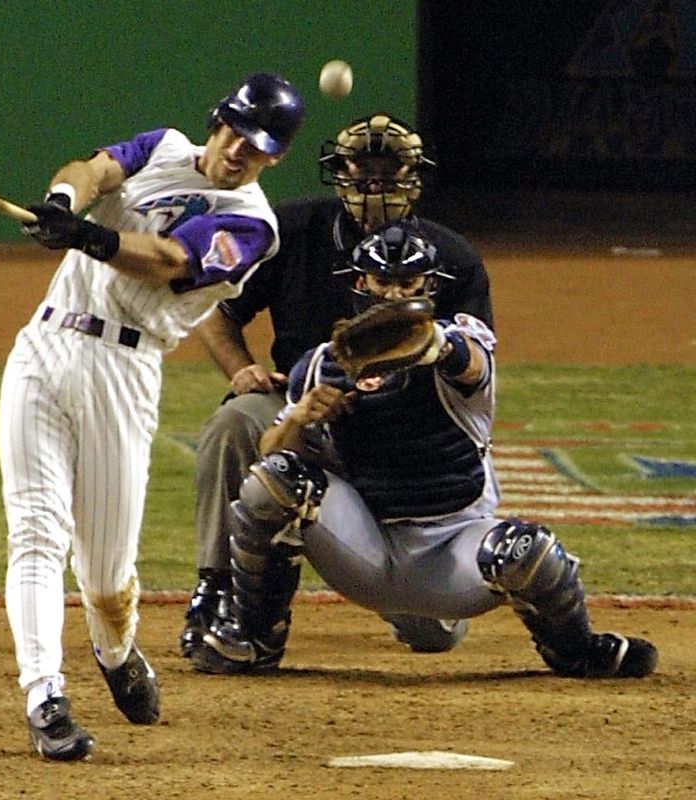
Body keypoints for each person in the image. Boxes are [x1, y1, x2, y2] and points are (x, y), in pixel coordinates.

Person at [199, 220, 659, 680]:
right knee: (277, 479)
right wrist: (301, 418)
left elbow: (470, 362)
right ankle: (253, 637)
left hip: (451, 551)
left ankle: (577, 650)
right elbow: (269, 452)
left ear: (430, 287)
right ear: (361, 284)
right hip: (363, 548)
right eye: (383, 282)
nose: (394, 295)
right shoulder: (322, 363)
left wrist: (432, 343)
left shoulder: (458, 345)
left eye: (407, 284)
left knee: (527, 551)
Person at [0, 72, 304, 761]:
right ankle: (44, 695)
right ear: (217, 119)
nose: (237, 153)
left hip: (123, 369)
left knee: (105, 575)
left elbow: (169, 262)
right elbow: (95, 169)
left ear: (273, 158)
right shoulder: (162, 146)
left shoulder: (254, 226)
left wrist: (88, 237)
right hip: (43, 347)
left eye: (256, 149)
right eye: (233, 133)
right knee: (37, 532)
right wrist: (62, 201)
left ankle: (117, 651)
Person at [182, 112, 495, 671]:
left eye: (389, 169)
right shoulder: (292, 231)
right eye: (362, 168)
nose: (375, 183)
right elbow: (214, 307)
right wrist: (241, 370)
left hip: (403, 426)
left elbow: (473, 363)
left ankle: (409, 577)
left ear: (413, 175)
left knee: (434, 636)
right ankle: (222, 592)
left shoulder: (452, 256)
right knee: (236, 424)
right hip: (302, 405)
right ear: (338, 172)